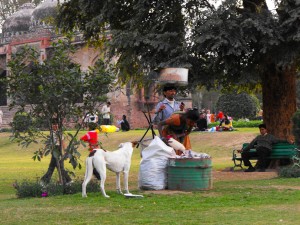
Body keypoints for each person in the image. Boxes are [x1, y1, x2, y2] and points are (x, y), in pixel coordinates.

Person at [41, 118, 72, 184]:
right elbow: (48, 143)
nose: (55, 126)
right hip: (54, 150)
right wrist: (43, 152)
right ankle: (67, 181)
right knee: (58, 167)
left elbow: (63, 143)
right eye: (54, 124)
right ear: (51, 125)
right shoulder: (51, 133)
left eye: (56, 124)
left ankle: (44, 181)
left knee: (54, 167)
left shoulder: (60, 133)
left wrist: (65, 152)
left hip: (58, 150)